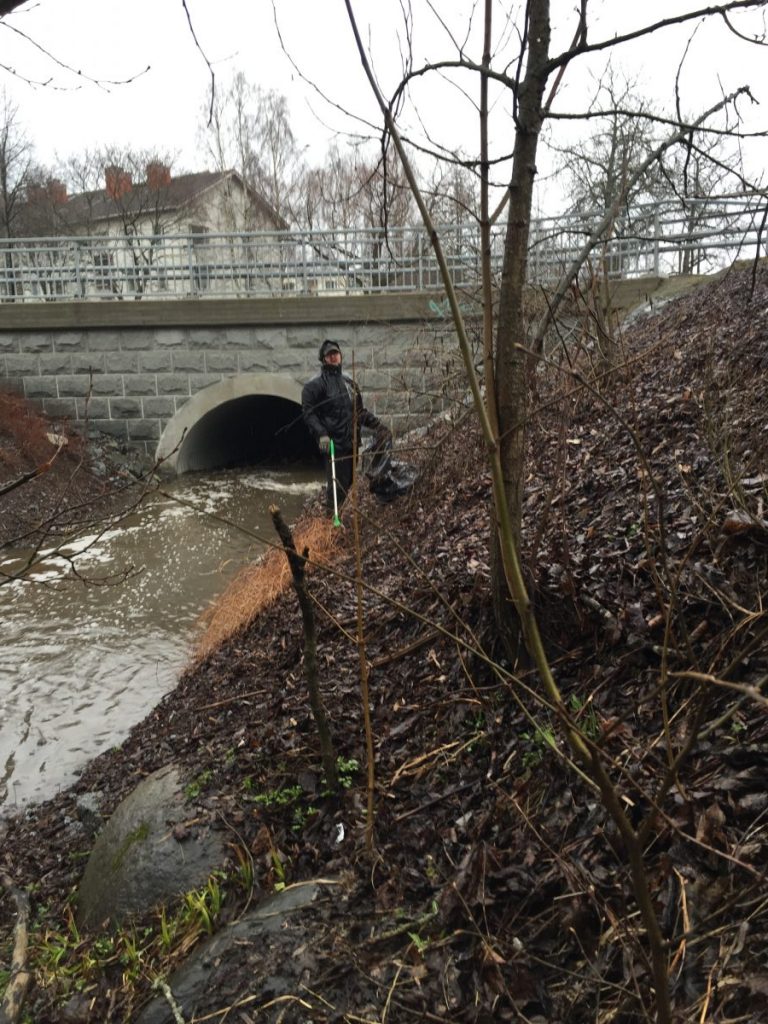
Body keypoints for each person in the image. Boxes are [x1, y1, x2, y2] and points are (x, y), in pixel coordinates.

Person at [302, 339, 389, 511]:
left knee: (349, 484)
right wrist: (322, 435)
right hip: (334, 445)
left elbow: (359, 412)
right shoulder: (316, 385)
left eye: (336, 353)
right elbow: (309, 413)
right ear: (324, 359)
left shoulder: (349, 383)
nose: (334, 357)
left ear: (341, 356)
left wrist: (378, 426)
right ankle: (331, 522)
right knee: (336, 488)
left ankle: (341, 518)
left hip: (352, 443)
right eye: (329, 355)